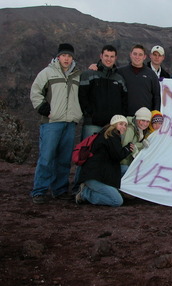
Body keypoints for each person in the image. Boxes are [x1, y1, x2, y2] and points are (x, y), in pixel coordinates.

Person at [30, 43, 82, 204]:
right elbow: (35, 91)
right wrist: (43, 108)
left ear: (72, 58)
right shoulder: (47, 73)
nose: (66, 59)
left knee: (64, 159)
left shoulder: (77, 75)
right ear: (58, 56)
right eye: (64, 55)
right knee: (46, 157)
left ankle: (59, 190)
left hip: (70, 122)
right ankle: (39, 191)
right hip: (52, 122)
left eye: (69, 56)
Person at [75, 44, 128, 193]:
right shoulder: (89, 74)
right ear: (101, 56)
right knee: (86, 155)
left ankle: (103, 185)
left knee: (108, 155)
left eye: (112, 57)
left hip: (111, 126)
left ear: (115, 58)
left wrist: (120, 120)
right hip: (93, 124)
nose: (109, 59)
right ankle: (78, 188)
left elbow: (124, 101)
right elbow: (82, 97)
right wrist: (90, 114)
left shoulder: (119, 78)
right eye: (106, 56)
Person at [75, 115, 134, 207]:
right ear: (114, 125)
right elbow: (117, 155)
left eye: (125, 125)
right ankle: (85, 193)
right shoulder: (112, 135)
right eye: (121, 124)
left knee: (126, 169)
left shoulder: (106, 135)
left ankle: (109, 190)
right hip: (94, 176)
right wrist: (127, 149)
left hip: (101, 172)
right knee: (117, 201)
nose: (123, 127)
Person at [118, 44, 161, 115]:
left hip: (145, 119)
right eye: (135, 54)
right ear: (130, 55)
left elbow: (156, 97)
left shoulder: (151, 74)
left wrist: (156, 114)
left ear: (144, 57)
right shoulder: (121, 72)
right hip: (125, 117)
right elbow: (107, 73)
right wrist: (96, 67)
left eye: (140, 54)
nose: (137, 57)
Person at [120, 107, 152, 176]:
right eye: (143, 120)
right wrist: (139, 146)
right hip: (123, 165)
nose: (145, 124)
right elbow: (124, 149)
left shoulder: (139, 130)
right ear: (137, 119)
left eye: (147, 121)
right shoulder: (130, 130)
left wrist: (142, 143)